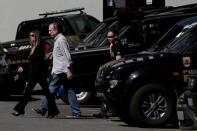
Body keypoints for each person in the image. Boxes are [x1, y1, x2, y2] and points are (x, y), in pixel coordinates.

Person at [32, 22, 81, 117]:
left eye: (50, 30)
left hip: (61, 71)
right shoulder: (58, 39)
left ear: (56, 30)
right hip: (61, 70)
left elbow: (67, 55)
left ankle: (43, 108)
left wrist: (68, 69)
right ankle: (76, 112)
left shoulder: (61, 40)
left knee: (50, 90)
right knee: (69, 90)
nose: (49, 32)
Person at [12, 30, 59, 118]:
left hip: (38, 74)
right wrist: (25, 67)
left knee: (43, 93)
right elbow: (32, 61)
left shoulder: (39, 47)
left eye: (32, 35)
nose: (31, 37)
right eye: (30, 35)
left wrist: (24, 67)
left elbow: (33, 61)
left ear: (36, 36)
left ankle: (53, 111)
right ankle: (53, 111)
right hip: (35, 73)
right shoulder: (34, 46)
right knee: (31, 92)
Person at [93, 28, 127, 118]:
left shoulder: (118, 46)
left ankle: (107, 112)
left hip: (117, 73)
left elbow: (118, 60)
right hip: (115, 73)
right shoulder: (113, 45)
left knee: (106, 91)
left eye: (111, 37)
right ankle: (105, 111)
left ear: (116, 36)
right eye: (107, 37)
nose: (108, 38)